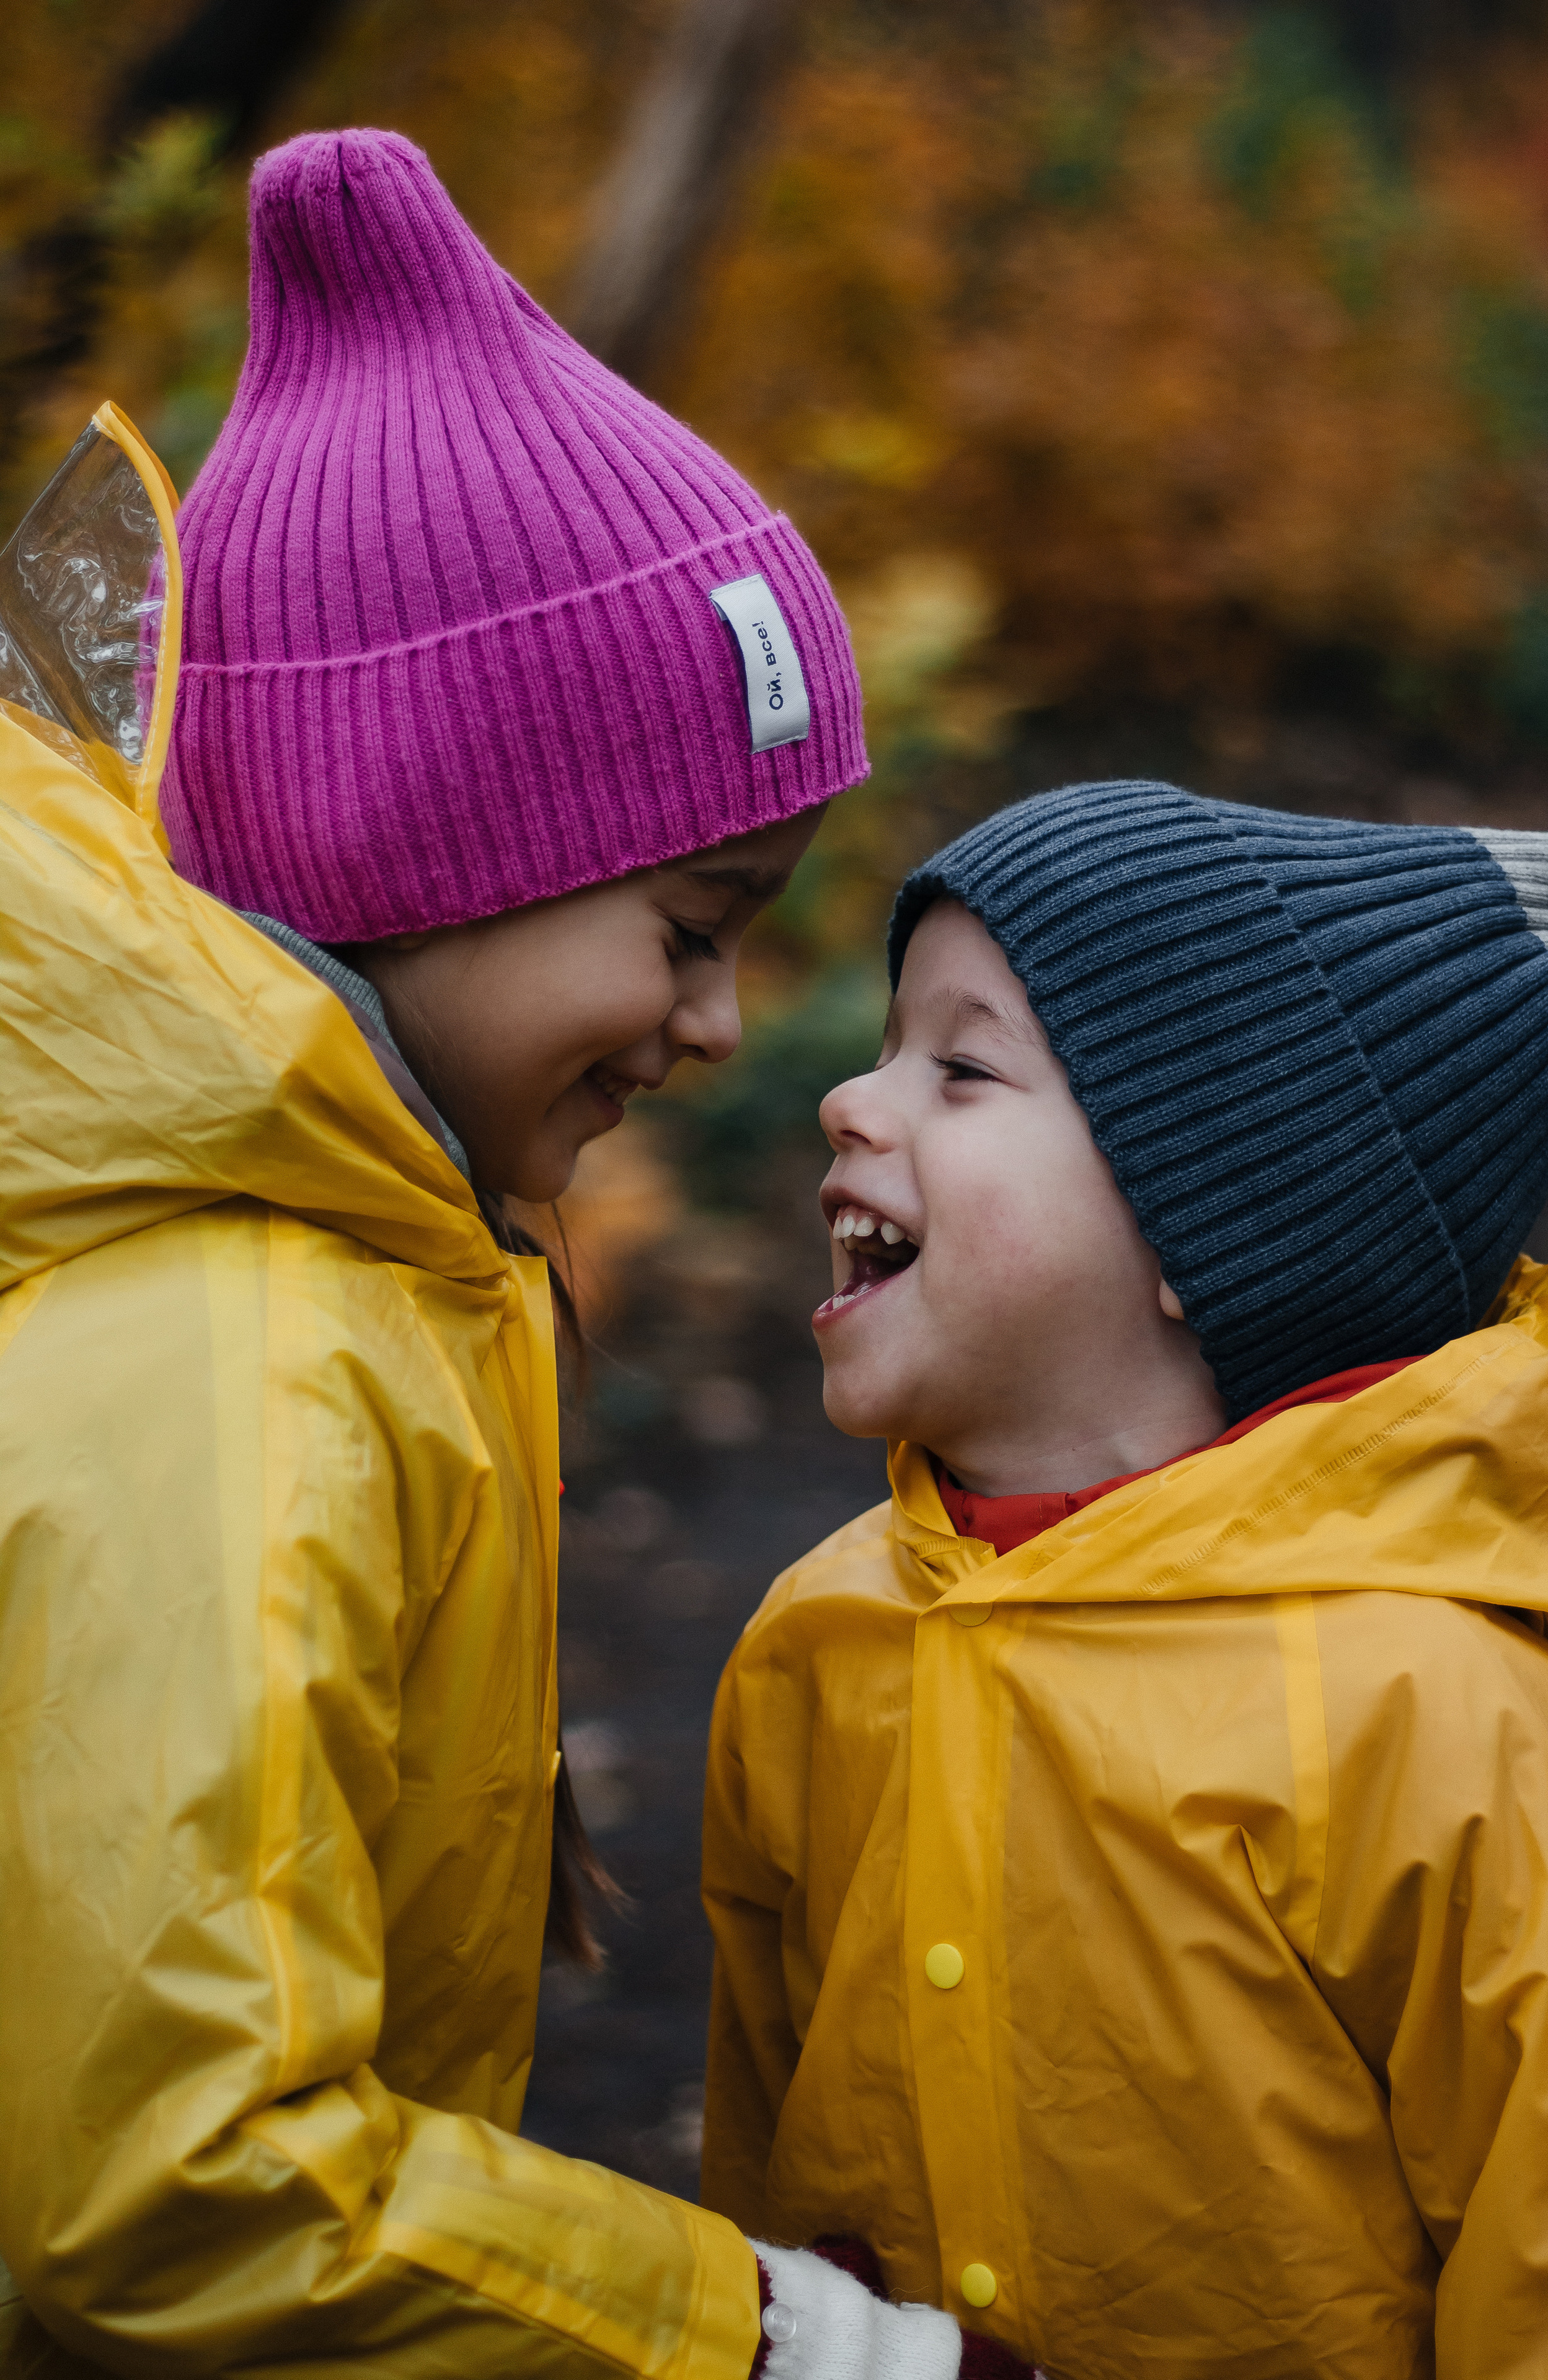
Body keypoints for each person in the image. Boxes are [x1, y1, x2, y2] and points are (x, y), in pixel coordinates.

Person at [0, 127, 1024, 2380]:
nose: (721, 1029)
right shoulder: (239, 1357)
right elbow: (175, 2181)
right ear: (413, 843)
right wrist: (771, 2341)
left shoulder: (370, 1248)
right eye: (686, 933)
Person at [701, 780, 1548, 2378]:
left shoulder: (1438, 1716)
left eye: (963, 1069)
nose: (850, 1097)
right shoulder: (818, 1643)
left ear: (1212, 1225)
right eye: (890, 1045)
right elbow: (765, 2208)